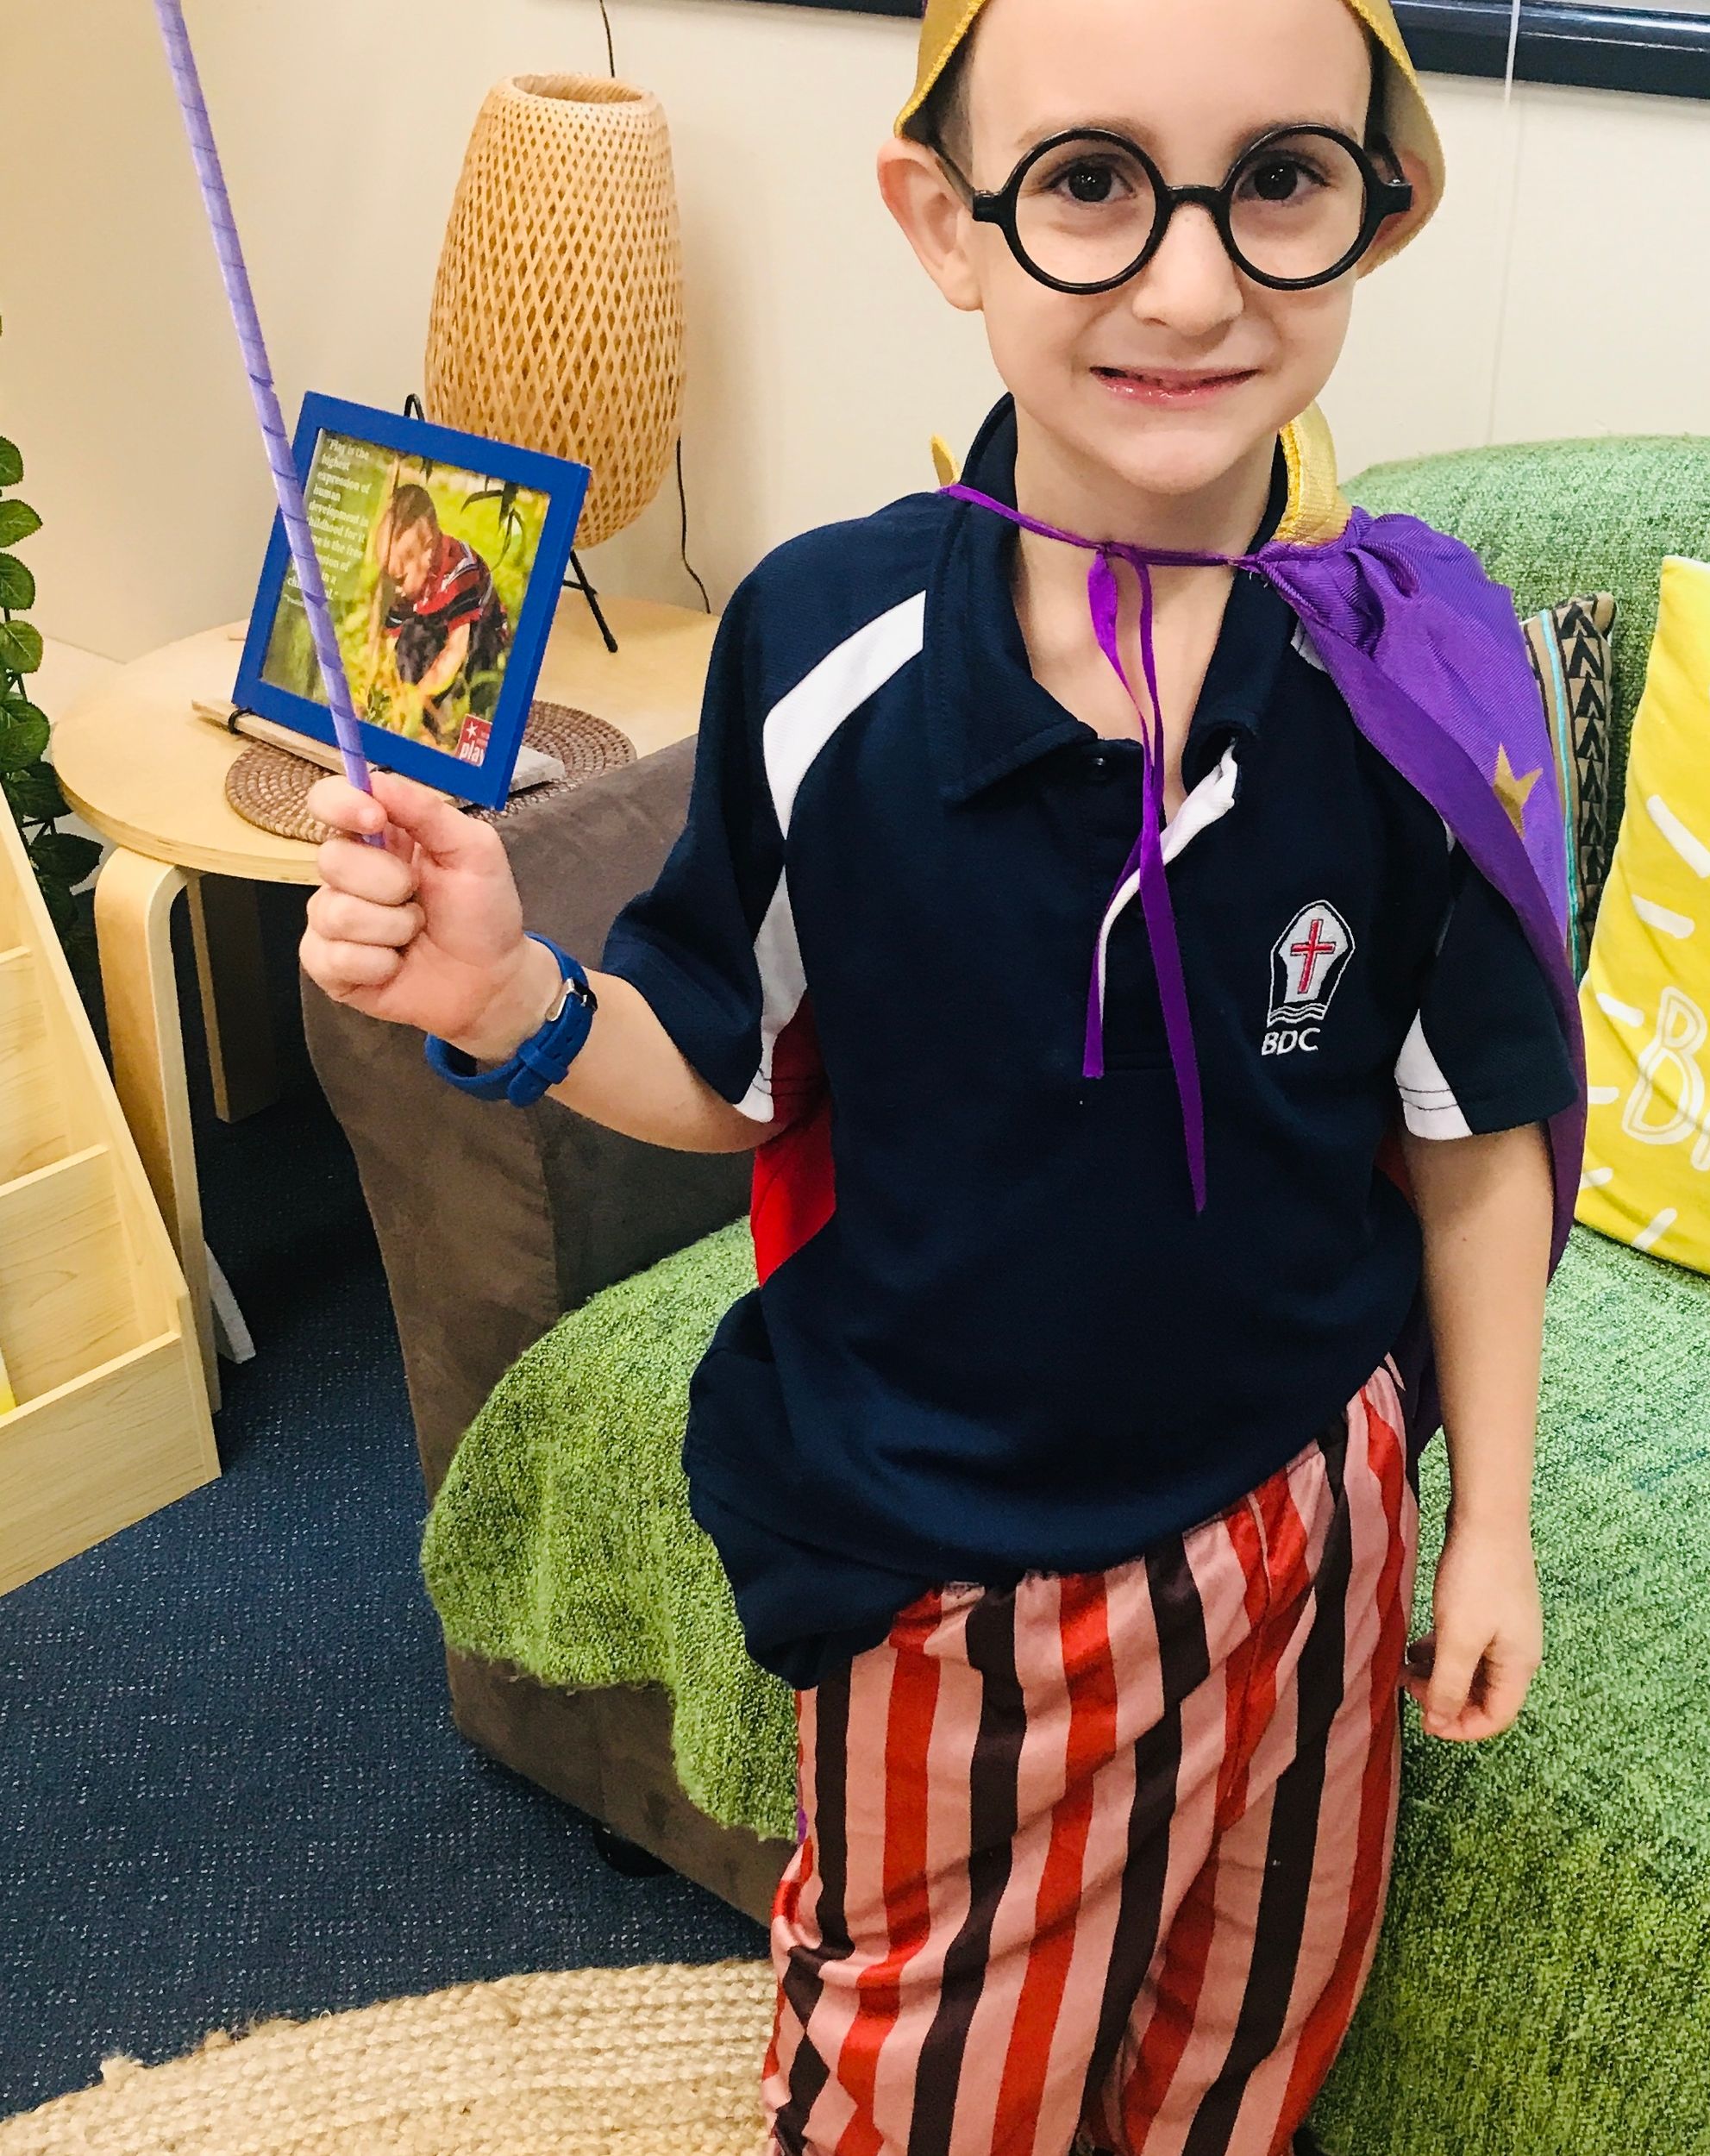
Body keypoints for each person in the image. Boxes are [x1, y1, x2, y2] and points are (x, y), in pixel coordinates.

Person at [298, 0, 1585, 2148]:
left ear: (1381, 206)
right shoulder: (825, 648)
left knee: (1246, 2037)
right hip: (960, 1570)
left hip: (1319, 1515)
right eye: (1087, 182)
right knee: (921, 2088)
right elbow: (722, 1067)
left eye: (1277, 178)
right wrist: (512, 988)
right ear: (940, 216)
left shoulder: (1412, 677)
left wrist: (1491, 1531)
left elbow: (1471, 1137)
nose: (1190, 285)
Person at [370, 482, 510, 745]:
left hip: (481, 631)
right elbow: (389, 640)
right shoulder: (406, 586)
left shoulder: (460, 574)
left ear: (428, 553)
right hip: (437, 622)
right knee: (409, 638)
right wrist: (382, 687)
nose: (395, 590)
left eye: (399, 579)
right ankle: (422, 720)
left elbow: (457, 649)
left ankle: (460, 723)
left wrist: (418, 697)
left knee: (478, 670)